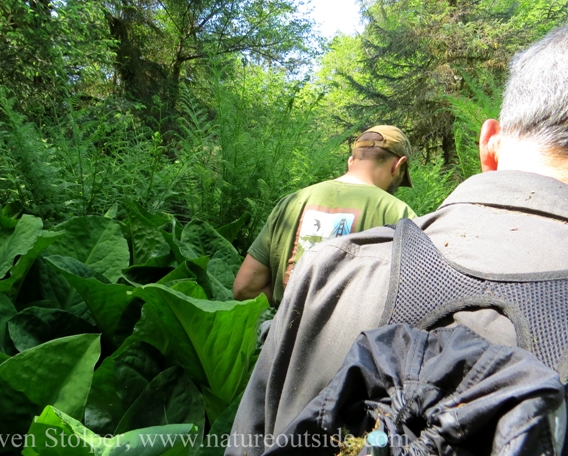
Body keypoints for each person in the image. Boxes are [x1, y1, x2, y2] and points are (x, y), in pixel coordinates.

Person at [226, 25, 568, 456]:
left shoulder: (294, 202)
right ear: (398, 166)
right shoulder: (401, 220)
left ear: (489, 146)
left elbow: (244, 287)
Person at [233, 125, 417, 307]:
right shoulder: (401, 215)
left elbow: (244, 289)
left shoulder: (290, 202)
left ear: (351, 161)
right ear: (397, 165)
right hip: (353, 336)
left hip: (282, 334)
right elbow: (414, 297)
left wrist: (293, 297)